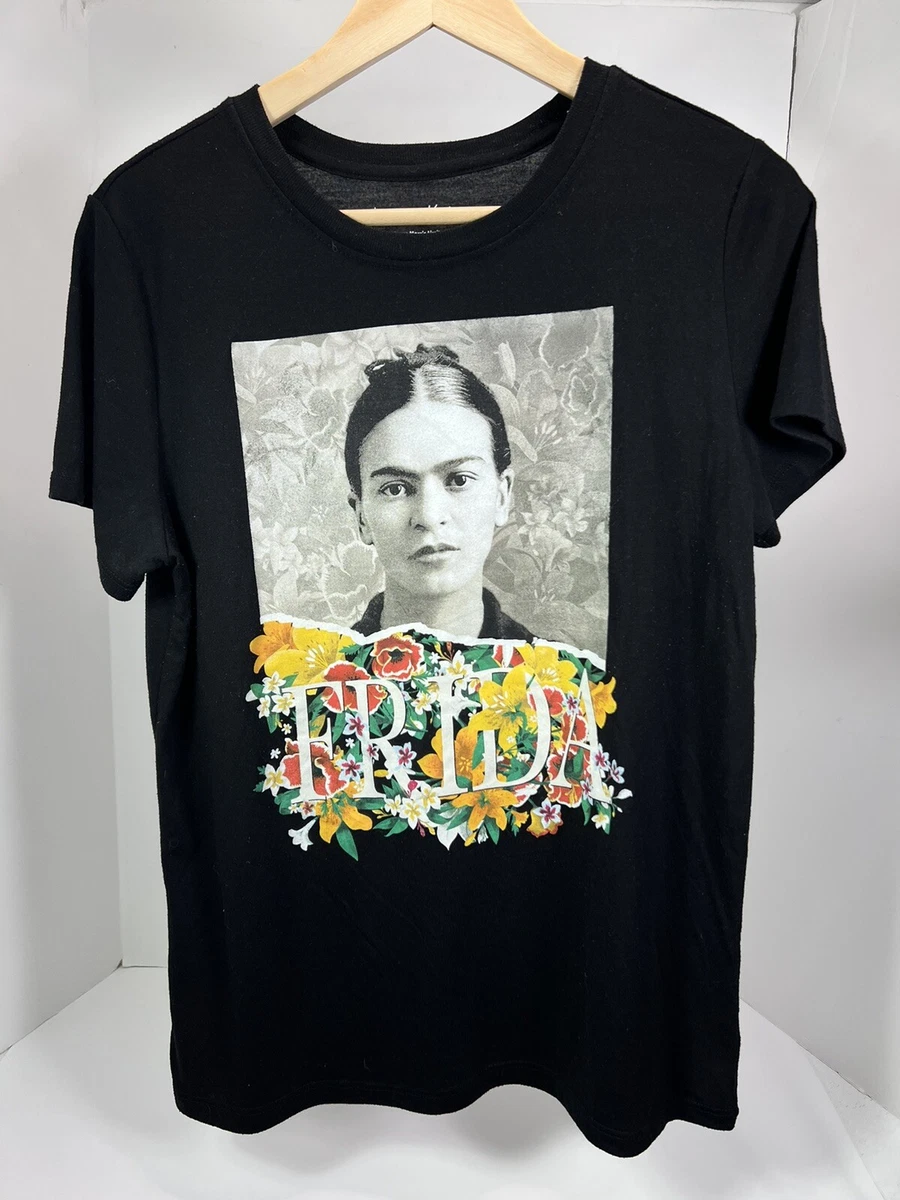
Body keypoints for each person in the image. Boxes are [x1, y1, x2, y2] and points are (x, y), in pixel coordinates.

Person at [345, 343, 534, 641]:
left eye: (459, 480)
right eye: (395, 489)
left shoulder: (564, 670)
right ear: (361, 518)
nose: (429, 516)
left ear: (502, 497)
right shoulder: (313, 672)